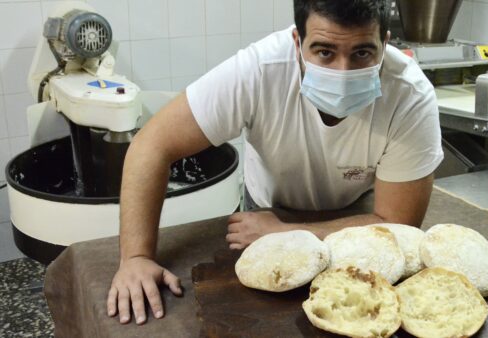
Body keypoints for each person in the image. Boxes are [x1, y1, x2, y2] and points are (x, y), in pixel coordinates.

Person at [107, 0, 443, 326]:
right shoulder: (258, 71)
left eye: (362, 53)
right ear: (297, 42)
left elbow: (396, 221)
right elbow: (150, 145)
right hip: (267, 211)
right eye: (324, 52)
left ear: (385, 43)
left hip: (357, 215)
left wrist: (290, 232)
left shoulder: (410, 95)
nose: (343, 72)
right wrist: (136, 258)